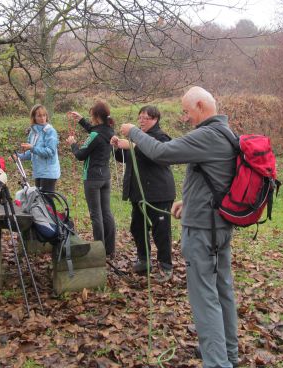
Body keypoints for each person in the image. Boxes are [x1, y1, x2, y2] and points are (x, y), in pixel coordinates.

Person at [119, 87, 239, 368]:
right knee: (222, 290)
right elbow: (220, 178)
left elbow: (162, 153)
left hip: (203, 230)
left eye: (186, 111)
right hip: (218, 224)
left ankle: (217, 362)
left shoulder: (208, 134)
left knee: (204, 296)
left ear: (200, 105)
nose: (184, 118)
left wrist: (134, 132)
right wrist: (190, 201)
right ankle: (228, 354)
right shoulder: (226, 133)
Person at [110, 105, 175, 281]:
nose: (142, 121)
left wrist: (132, 145)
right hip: (138, 193)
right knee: (137, 228)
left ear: (155, 119)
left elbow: (154, 155)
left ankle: (166, 266)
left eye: (146, 118)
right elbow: (124, 158)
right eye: (140, 118)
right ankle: (144, 260)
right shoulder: (137, 137)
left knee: (161, 230)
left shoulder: (161, 137)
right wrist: (117, 147)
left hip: (158, 193)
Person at [66, 101, 116, 257]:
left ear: (96, 116)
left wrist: (73, 144)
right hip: (105, 177)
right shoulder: (109, 130)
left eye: (90, 116)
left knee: (96, 215)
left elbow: (80, 155)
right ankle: (109, 249)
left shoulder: (96, 134)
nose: (90, 118)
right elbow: (95, 131)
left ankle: (98, 250)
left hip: (92, 179)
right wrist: (81, 120)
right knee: (106, 213)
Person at [17, 104, 61, 193]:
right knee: (40, 201)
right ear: (34, 117)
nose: (42, 118)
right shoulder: (33, 133)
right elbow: (32, 153)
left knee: (47, 202)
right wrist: (18, 157)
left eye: (44, 115)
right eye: (39, 116)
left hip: (49, 172)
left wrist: (32, 148)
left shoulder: (50, 131)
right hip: (38, 171)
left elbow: (50, 152)